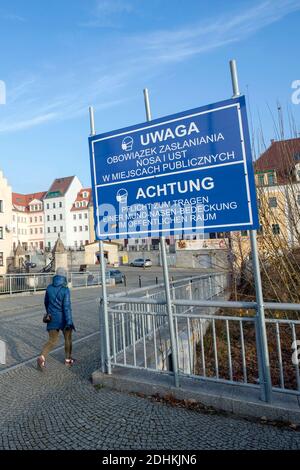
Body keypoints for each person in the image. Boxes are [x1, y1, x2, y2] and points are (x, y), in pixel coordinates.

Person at [37, 267, 75, 370]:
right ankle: (68, 360)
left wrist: (49, 312)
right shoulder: (65, 289)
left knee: (52, 340)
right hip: (64, 319)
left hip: (52, 317)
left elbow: (46, 302)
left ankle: (42, 356)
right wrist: (69, 321)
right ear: (64, 277)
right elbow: (66, 307)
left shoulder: (49, 288)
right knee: (68, 339)